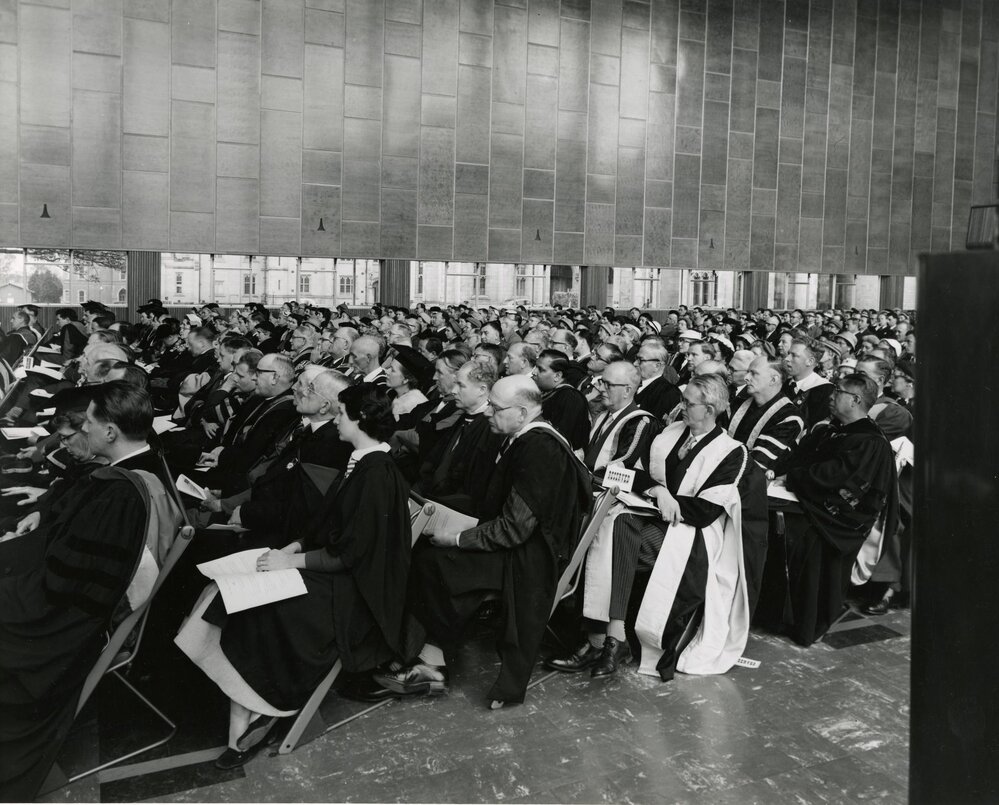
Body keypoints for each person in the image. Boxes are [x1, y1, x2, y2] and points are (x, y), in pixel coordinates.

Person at [176, 384, 411, 770]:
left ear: (360, 420)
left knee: (254, 605)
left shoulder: (377, 474)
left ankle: (258, 711)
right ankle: (245, 706)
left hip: (354, 594)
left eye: (341, 414)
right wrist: (293, 548)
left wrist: (294, 564)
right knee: (234, 584)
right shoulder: (362, 461)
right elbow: (326, 525)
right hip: (336, 572)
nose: (336, 420)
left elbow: (353, 553)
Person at [373, 376, 592, 707]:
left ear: (521, 412)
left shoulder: (539, 448)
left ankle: (431, 663)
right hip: (519, 542)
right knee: (428, 547)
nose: (489, 412)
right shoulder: (526, 436)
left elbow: (515, 530)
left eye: (496, 407)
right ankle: (420, 653)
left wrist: (459, 538)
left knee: (433, 562)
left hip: (528, 558)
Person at [0, 383, 162, 800]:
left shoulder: (121, 492)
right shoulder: (142, 470)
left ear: (110, 432)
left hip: (64, 622)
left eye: (87, 423)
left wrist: (14, 579)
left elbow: (67, 585)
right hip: (68, 598)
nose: (82, 430)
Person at [550, 374, 764, 681]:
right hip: (655, 518)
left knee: (614, 531)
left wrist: (662, 499)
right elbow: (632, 475)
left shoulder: (730, 451)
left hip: (695, 534)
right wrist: (658, 492)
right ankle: (612, 639)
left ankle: (601, 639)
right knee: (612, 524)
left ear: (710, 408)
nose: (681, 407)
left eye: (689, 403)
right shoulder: (669, 434)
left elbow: (704, 512)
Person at [756, 373, 898, 646]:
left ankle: (805, 624)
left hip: (833, 522)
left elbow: (843, 480)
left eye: (838, 392)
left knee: (801, 538)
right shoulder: (833, 428)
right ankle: (775, 615)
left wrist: (795, 479)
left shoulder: (870, 441)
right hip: (808, 505)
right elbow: (802, 458)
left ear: (855, 400)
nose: (831, 396)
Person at [728, 356, 803, 477]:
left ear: (773, 380)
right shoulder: (738, 403)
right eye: (747, 372)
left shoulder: (790, 418)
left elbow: (759, 463)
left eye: (754, 373)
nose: (746, 377)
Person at [583, 361, 659, 475]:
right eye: (602, 382)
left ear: (627, 391)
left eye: (608, 385)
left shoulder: (640, 422)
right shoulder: (602, 416)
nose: (601, 388)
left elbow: (623, 466)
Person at [534, 349, 590, 453]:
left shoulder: (571, 399)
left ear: (557, 376)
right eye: (535, 367)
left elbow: (560, 441)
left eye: (540, 369)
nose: (534, 372)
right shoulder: (549, 392)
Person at [784, 338, 833, 433]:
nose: (787, 358)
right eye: (789, 354)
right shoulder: (783, 383)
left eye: (794, 355)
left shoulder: (825, 390)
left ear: (810, 361)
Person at [633, 340, 682, 420]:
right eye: (636, 358)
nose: (635, 363)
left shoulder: (669, 393)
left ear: (657, 366)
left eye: (640, 360)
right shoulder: (632, 383)